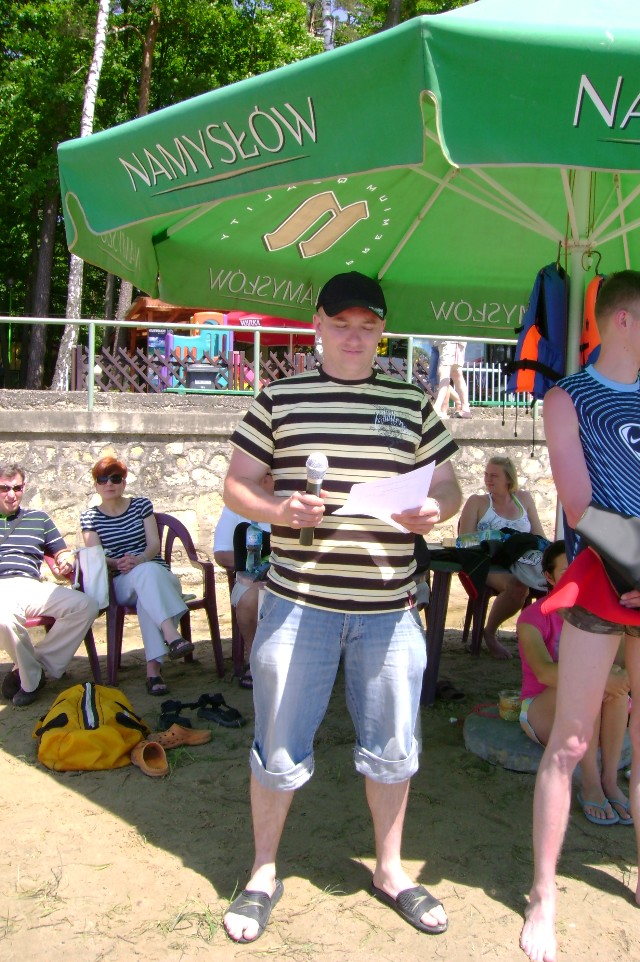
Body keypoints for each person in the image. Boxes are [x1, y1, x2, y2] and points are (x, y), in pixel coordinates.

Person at [221, 270, 461, 944]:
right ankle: (263, 872)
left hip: (390, 608)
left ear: (382, 332)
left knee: (395, 747)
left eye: (368, 326)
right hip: (298, 605)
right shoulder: (279, 397)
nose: (355, 337)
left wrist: (434, 509)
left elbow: (450, 484)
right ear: (318, 325)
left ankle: (390, 869)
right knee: (277, 743)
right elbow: (236, 485)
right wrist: (278, 510)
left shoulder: (412, 401)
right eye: (342, 324)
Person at [520, 270, 640, 962]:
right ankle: (543, 896)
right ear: (623, 319)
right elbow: (577, 504)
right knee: (570, 741)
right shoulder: (568, 397)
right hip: (600, 575)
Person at [517, 540, 631, 827]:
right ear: (549, 576)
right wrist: (599, 678)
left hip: (595, 706)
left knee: (612, 688)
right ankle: (590, 783)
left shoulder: (601, 616)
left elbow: (623, 665)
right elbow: (543, 673)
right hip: (543, 707)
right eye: (567, 572)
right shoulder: (533, 617)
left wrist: (610, 677)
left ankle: (609, 781)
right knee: (593, 687)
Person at [80, 456, 194, 696]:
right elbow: (95, 556)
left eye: (115, 478)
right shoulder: (89, 518)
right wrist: (118, 562)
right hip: (121, 582)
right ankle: (171, 635)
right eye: (102, 479)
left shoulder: (141, 506)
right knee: (145, 575)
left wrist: (140, 559)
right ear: (95, 484)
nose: (109, 483)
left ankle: (153, 673)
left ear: (123, 482)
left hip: (158, 574)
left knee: (147, 590)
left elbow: (153, 544)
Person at [0, 462, 99, 707]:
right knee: (3, 618)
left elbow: (61, 551)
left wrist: (66, 559)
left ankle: (35, 667)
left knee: (86, 605)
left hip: (31, 585)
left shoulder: (39, 518)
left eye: (17, 488)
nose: (12, 494)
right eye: (4, 488)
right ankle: (30, 682)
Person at [458, 456, 547, 659]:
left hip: (521, 561)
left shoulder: (524, 499)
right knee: (518, 586)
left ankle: (541, 635)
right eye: (486, 475)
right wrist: (495, 537)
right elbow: (463, 542)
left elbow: (540, 537)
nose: (488, 479)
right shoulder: (477, 502)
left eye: (494, 476)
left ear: (508, 478)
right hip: (489, 561)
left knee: (556, 578)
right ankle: (489, 633)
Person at [213, 472, 274, 689]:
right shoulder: (236, 508)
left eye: (269, 474)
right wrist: (253, 561)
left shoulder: (297, 506)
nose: (264, 479)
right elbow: (221, 554)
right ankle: (254, 658)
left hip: (291, 579)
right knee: (251, 598)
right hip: (251, 579)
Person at [432, 340, 471, 418]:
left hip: (450, 341)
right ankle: (465, 408)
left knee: (445, 371)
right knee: (455, 373)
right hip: (450, 341)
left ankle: (437, 407)